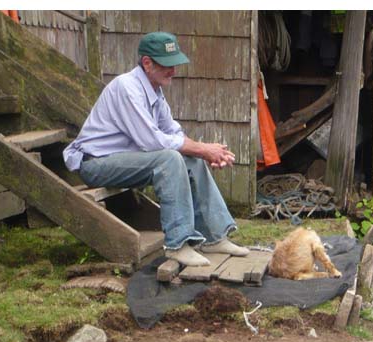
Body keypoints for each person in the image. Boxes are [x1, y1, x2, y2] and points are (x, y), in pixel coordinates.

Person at [63, 31, 250, 264]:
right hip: (96, 163)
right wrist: (202, 148)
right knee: (170, 158)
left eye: (175, 64)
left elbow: (172, 131)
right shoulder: (127, 87)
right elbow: (151, 141)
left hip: (123, 159)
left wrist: (205, 151)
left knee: (191, 157)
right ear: (147, 63)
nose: (173, 71)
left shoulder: (155, 89)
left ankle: (213, 238)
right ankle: (177, 244)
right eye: (167, 65)